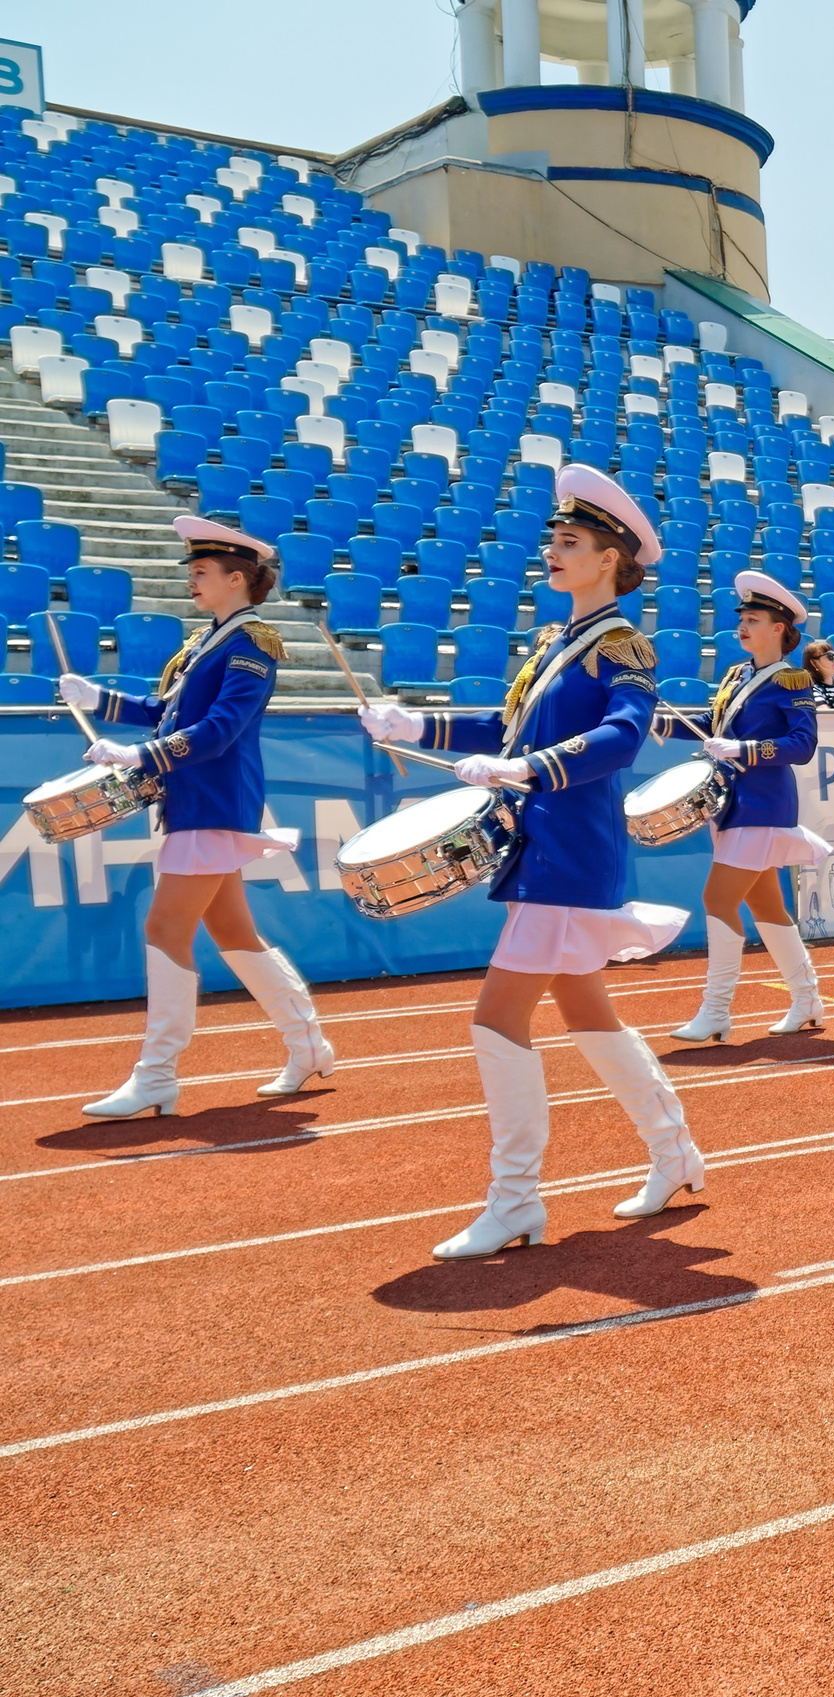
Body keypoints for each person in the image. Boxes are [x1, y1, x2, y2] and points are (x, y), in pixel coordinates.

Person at [358, 465, 699, 1256]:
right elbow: (502, 728)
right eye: (555, 537)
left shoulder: (622, 645)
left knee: (496, 1018)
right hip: (544, 846)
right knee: (586, 1011)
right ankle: (674, 1151)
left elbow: (623, 736)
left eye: (570, 541)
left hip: (569, 849)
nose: (553, 549)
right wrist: (415, 726)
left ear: (609, 559)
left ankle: (514, 1200)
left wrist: (529, 768)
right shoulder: (555, 641)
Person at [59, 517, 334, 1117]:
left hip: (213, 802)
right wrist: (98, 698)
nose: (192, 579)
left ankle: (157, 1074)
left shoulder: (251, 643)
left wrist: (140, 755)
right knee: (233, 932)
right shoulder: (206, 640)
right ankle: (309, 1044)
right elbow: (166, 711)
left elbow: (219, 730)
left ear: (237, 578)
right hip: (196, 801)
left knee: (164, 929)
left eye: (202, 571)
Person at [665, 570, 834, 1043]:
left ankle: (716, 1011)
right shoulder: (737, 675)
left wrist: (744, 749)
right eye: (741, 619)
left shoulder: (792, 680)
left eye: (753, 620)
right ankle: (807, 999)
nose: (741, 626)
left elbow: (803, 745)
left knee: (718, 900)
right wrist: (657, 724)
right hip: (733, 804)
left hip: (763, 803)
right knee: (766, 904)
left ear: (778, 628)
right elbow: (711, 722)